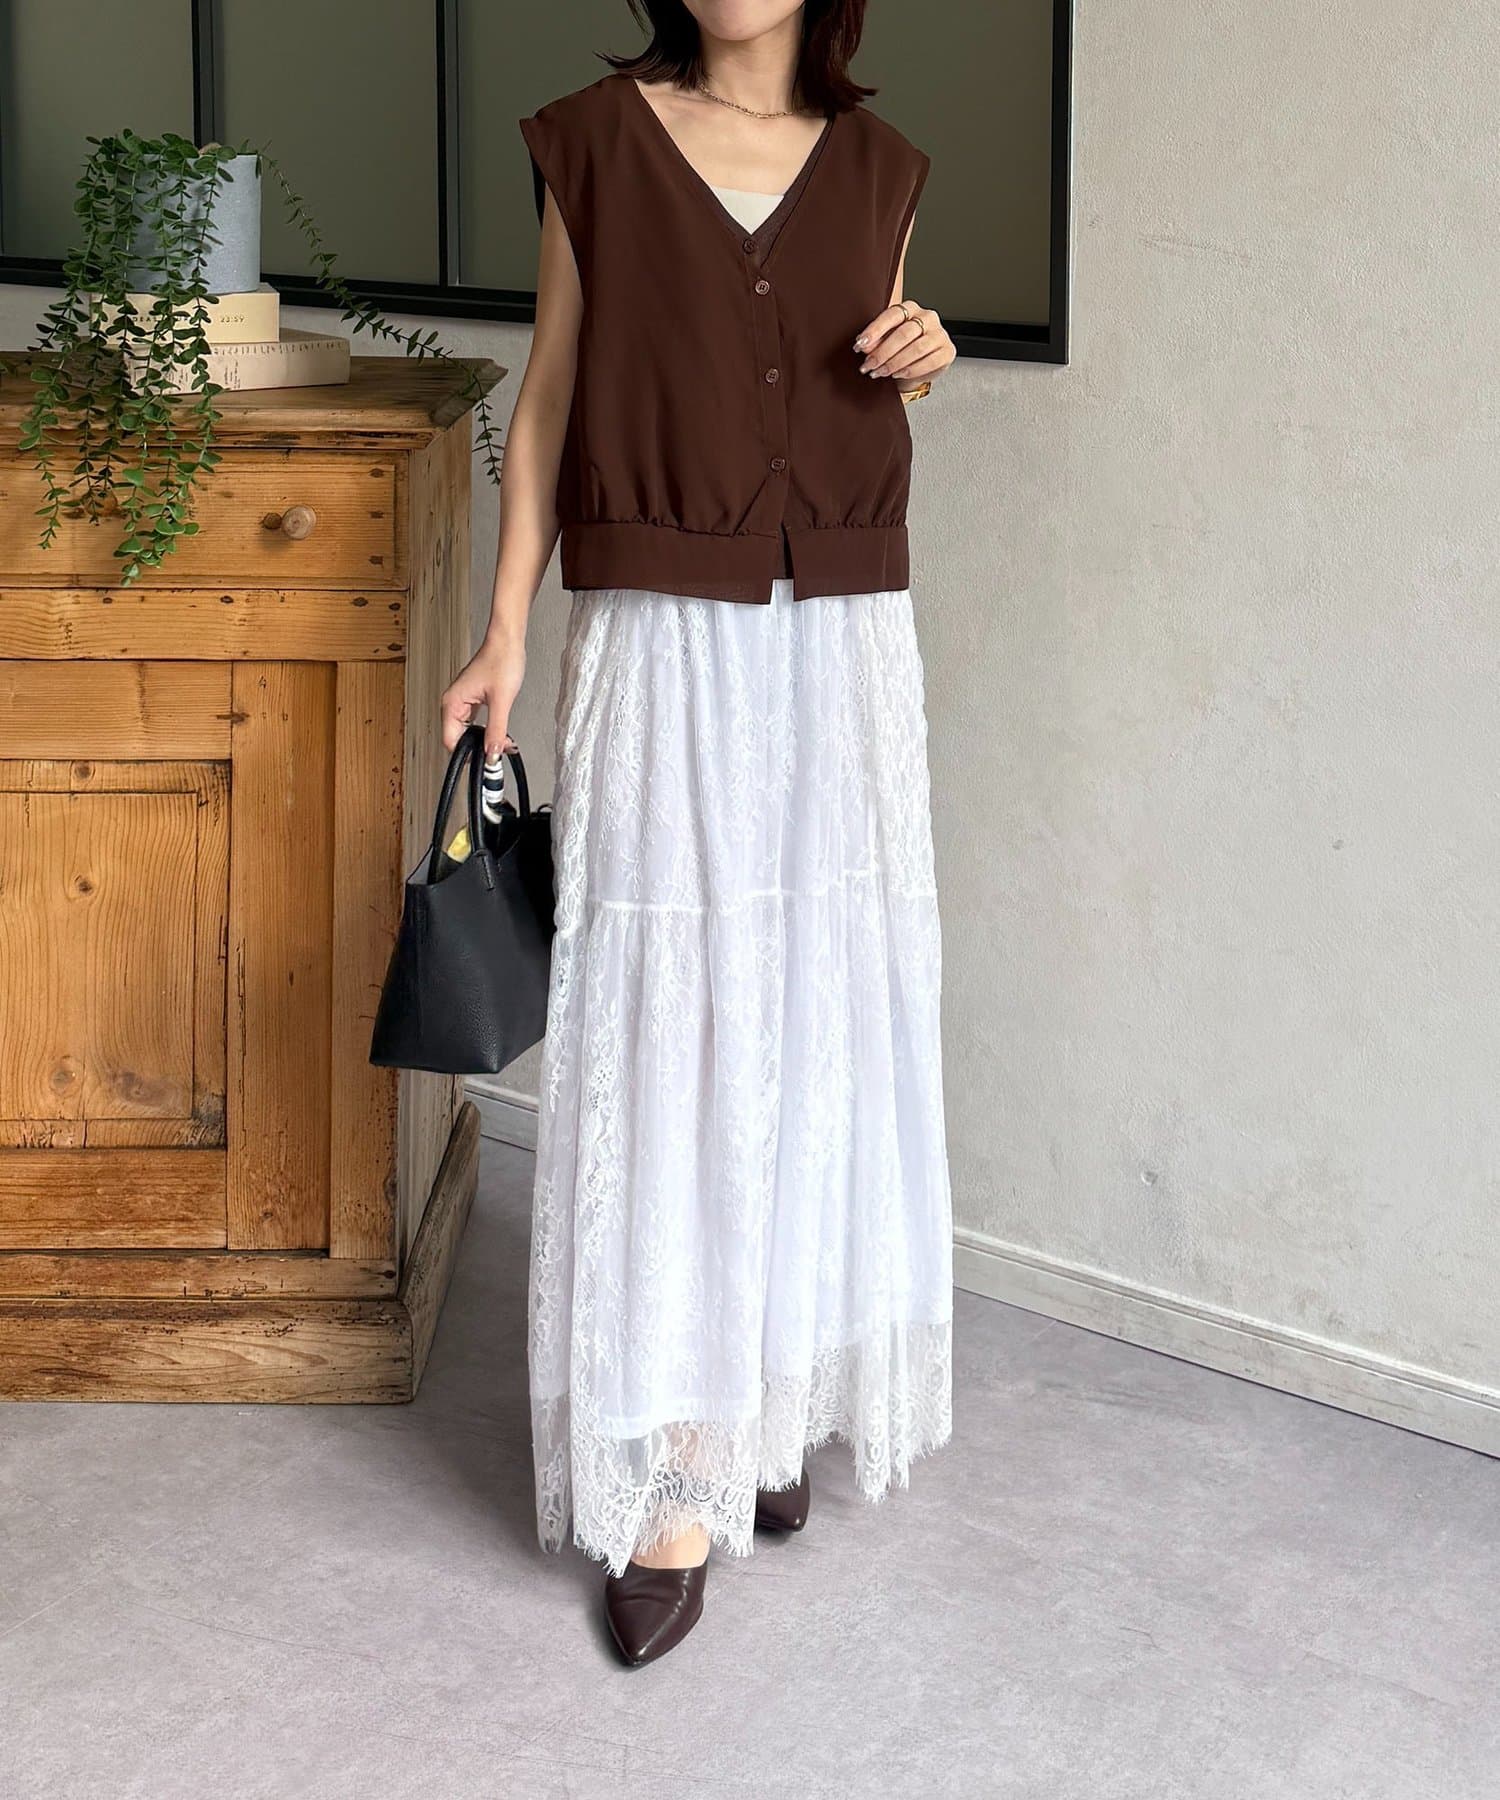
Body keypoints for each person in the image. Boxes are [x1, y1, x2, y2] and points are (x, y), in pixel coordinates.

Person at [441, 0, 957, 1668]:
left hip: (839, 645)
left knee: (815, 1010)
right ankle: (672, 1459)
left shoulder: (881, 166)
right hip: (666, 634)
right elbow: (549, 398)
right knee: (674, 1029)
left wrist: (923, 352)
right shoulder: (594, 145)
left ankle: (765, 1403)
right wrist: (506, 635)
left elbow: (858, 368)